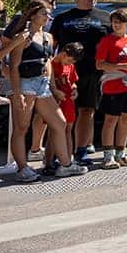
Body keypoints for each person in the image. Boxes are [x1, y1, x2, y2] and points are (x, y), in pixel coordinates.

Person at [4, 0, 86, 180]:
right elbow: (14, 66)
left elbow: (48, 61)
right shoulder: (23, 37)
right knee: (22, 127)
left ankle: (65, 165)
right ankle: (23, 168)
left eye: (48, 14)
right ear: (33, 15)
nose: (47, 17)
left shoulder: (48, 37)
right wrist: (17, 94)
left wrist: (52, 86)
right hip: (25, 83)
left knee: (59, 122)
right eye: (43, 14)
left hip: (42, 84)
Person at [49, 0, 110, 165]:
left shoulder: (105, 17)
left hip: (93, 71)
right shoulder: (62, 18)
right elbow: (52, 45)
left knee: (87, 110)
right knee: (63, 115)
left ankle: (81, 151)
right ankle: (59, 155)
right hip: (65, 73)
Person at [96, 8, 127, 169]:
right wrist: (124, 66)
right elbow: (100, 64)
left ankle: (120, 153)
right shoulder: (107, 41)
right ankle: (108, 156)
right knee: (111, 120)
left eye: (119, 22)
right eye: (114, 22)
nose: (115, 25)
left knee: (126, 119)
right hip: (112, 86)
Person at [43, 42, 82, 176]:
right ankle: (48, 162)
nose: (69, 63)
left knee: (68, 131)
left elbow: (73, 81)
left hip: (68, 102)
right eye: (69, 60)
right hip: (55, 102)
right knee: (53, 132)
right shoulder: (52, 64)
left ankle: (68, 160)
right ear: (64, 54)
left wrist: (75, 90)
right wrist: (56, 93)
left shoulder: (70, 65)